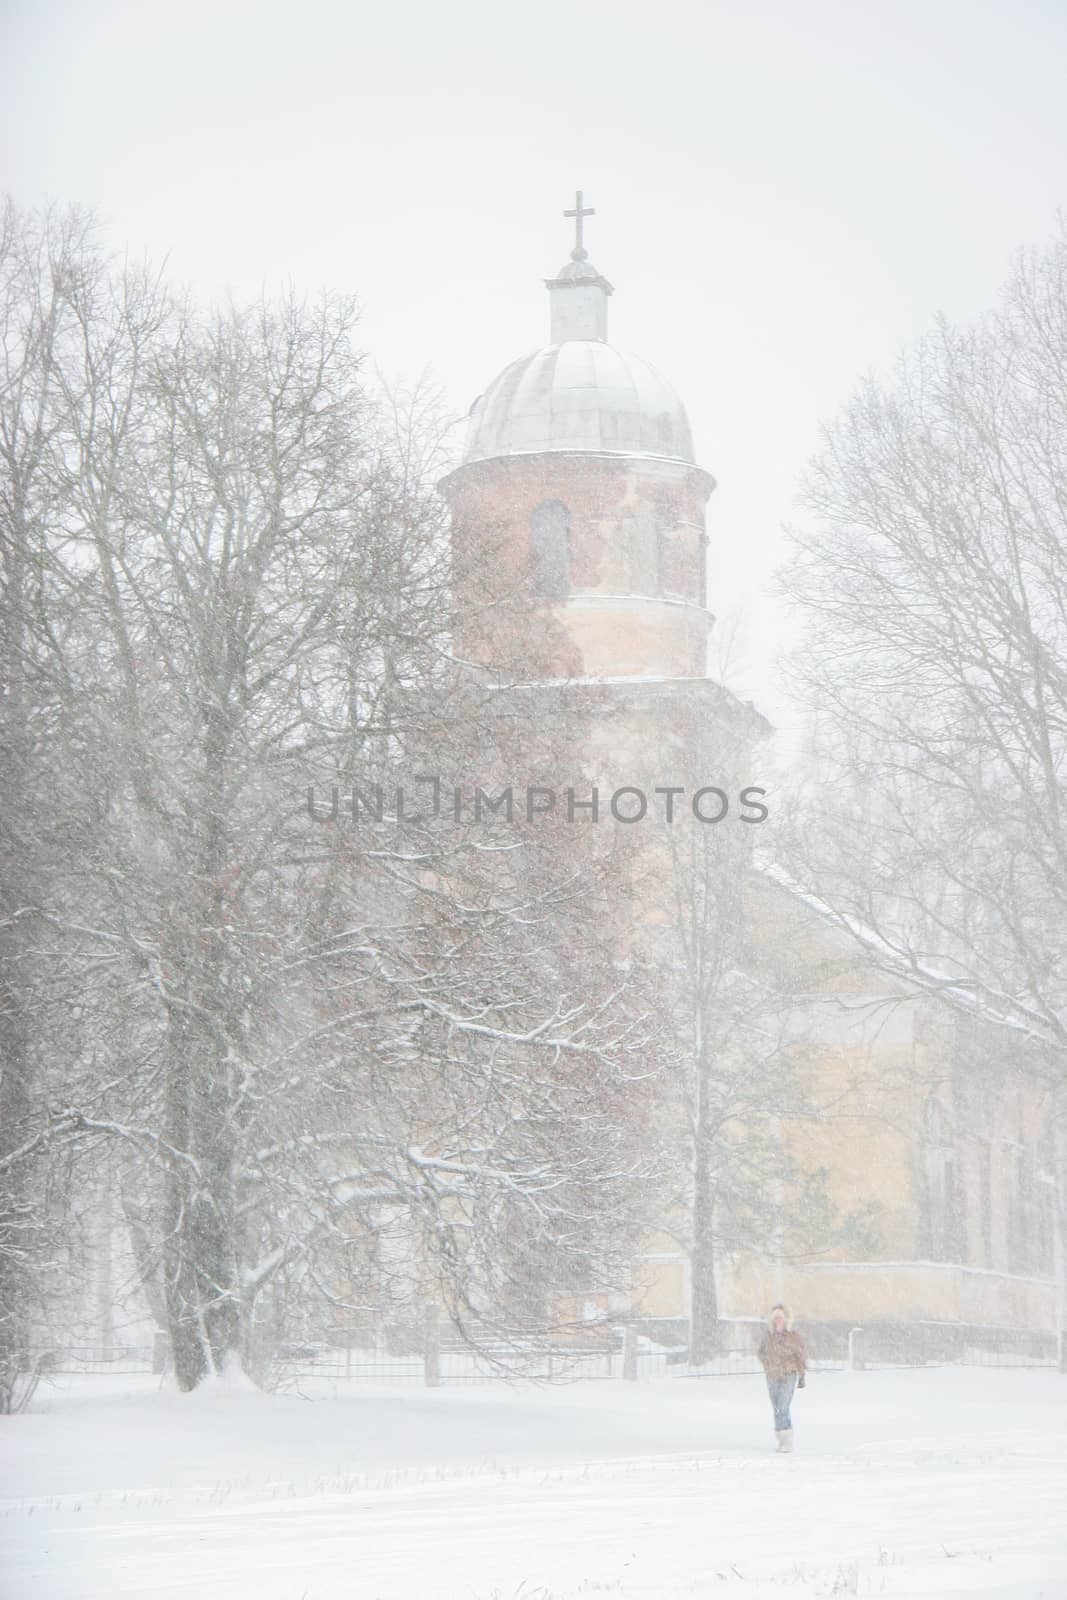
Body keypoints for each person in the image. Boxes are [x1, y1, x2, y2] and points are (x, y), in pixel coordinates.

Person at [756, 1303, 807, 1452]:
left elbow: (801, 1356)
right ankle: (781, 1437)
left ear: (786, 1320)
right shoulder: (768, 1337)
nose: (778, 1321)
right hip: (772, 1375)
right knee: (776, 1407)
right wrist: (768, 1363)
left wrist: (801, 1374)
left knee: (783, 1406)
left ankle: (786, 1439)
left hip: (788, 1375)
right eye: (776, 1318)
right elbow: (761, 1353)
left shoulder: (793, 1337)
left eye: (781, 1318)